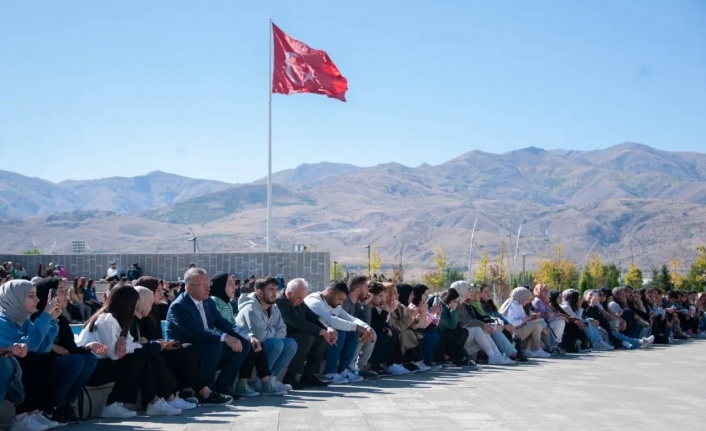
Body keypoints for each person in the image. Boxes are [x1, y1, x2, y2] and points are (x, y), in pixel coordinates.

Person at [165, 268, 251, 400]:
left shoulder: (208, 302)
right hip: (186, 350)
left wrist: (248, 336)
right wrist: (224, 337)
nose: (207, 288)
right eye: (202, 285)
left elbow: (224, 324)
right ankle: (206, 393)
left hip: (206, 346)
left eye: (208, 284)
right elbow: (195, 331)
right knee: (215, 344)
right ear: (188, 288)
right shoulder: (179, 306)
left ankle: (224, 386)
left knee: (243, 344)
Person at [34, 277, 103, 425]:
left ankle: (66, 404)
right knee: (76, 361)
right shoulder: (36, 316)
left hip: (59, 362)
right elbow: (33, 342)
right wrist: (52, 347)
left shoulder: (61, 319)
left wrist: (88, 347)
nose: (65, 295)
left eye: (66, 291)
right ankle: (54, 406)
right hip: (42, 364)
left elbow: (70, 348)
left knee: (90, 358)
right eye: (60, 291)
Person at [0, 280, 61, 431]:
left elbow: (43, 348)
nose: (38, 300)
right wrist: (46, 315)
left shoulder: (23, 320)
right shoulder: (2, 321)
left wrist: (52, 321)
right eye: (31, 296)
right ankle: (21, 417)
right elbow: (29, 348)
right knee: (28, 359)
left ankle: (33, 411)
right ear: (16, 297)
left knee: (43, 358)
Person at [304, 281, 375, 384]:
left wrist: (366, 327)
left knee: (353, 333)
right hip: (313, 334)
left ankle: (343, 370)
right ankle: (330, 373)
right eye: (340, 299)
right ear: (330, 293)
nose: (341, 303)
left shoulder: (334, 304)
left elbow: (349, 318)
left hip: (326, 335)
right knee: (340, 332)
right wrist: (356, 327)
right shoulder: (314, 301)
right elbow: (330, 320)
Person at [276, 279, 334, 389]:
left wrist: (328, 328)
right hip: (285, 335)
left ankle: (309, 374)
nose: (302, 301)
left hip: (299, 334)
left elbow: (314, 316)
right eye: (299, 298)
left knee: (321, 337)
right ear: (288, 294)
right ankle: (290, 376)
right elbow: (295, 321)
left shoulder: (298, 300)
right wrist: (320, 331)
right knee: (305, 338)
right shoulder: (280, 301)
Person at [500, 287, 550, 358]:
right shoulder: (512, 305)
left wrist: (533, 317)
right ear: (522, 296)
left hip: (518, 330)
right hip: (512, 333)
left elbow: (525, 319)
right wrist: (529, 318)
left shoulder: (518, 305)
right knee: (537, 325)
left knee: (539, 322)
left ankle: (528, 349)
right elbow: (511, 324)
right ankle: (536, 349)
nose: (528, 301)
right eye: (527, 299)